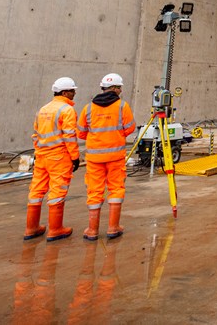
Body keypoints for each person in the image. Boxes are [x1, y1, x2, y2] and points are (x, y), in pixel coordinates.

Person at [77, 73, 136, 242]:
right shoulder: (122, 106)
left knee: (94, 192)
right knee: (116, 189)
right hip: (115, 156)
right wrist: (116, 136)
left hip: (95, 158)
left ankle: (92, 230)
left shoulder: (88, 108)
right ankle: (113, 227)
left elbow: (81, 132)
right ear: (116, 89)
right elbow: (130, 128)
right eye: (120, 88)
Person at [26, 77, 80, 241]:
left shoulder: (43, 109)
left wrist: (38, 151)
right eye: (72, 91)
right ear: (65, 92)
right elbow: (69, 136)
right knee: (57, 191)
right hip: (59, 156)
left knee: (36, 191)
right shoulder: (67, 110)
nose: (74, 93)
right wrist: (75, 157)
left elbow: (36, 134)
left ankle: (31, 228)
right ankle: (55, 229)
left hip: (42, 156)